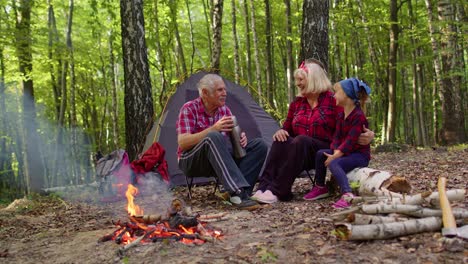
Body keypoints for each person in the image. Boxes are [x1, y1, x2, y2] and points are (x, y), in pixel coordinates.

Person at [253, 61, 374, 204]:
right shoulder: (297, 104)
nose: (297, 84)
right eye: (296, 80)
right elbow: (287, 128)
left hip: (323, 151)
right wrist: (281, 131)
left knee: (302, 140)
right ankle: (263, 187)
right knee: (281, 140)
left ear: (313, 79)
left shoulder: (334, 101)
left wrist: (369, 135)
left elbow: (353, 123)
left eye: (301, 79)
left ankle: (279, 191)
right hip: (297, 153)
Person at [176, 73, 268, 209]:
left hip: (218, 159)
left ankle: (238, 193)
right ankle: (237, 193)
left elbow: (234, 139)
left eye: (224, 89)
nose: (225, 93)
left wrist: (241, 138)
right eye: (220, 90)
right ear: (205, 93)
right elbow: (183, 143)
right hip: (191, 161)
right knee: (213, 137)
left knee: (259, 145)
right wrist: (212, 129)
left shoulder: (224, 110)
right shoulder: (189, 108)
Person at [303, 78, 371, 209]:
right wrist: (334, 152)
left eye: (337, 92)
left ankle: (347, 194)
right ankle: (320, 187)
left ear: (346, 94)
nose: (334, 95)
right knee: (320, 154)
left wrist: (335, 157)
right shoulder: (341, 115)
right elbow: (337, 137)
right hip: (345, 152)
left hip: (358, 155)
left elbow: (350, 142)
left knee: (334, 163)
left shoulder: (358, 116)